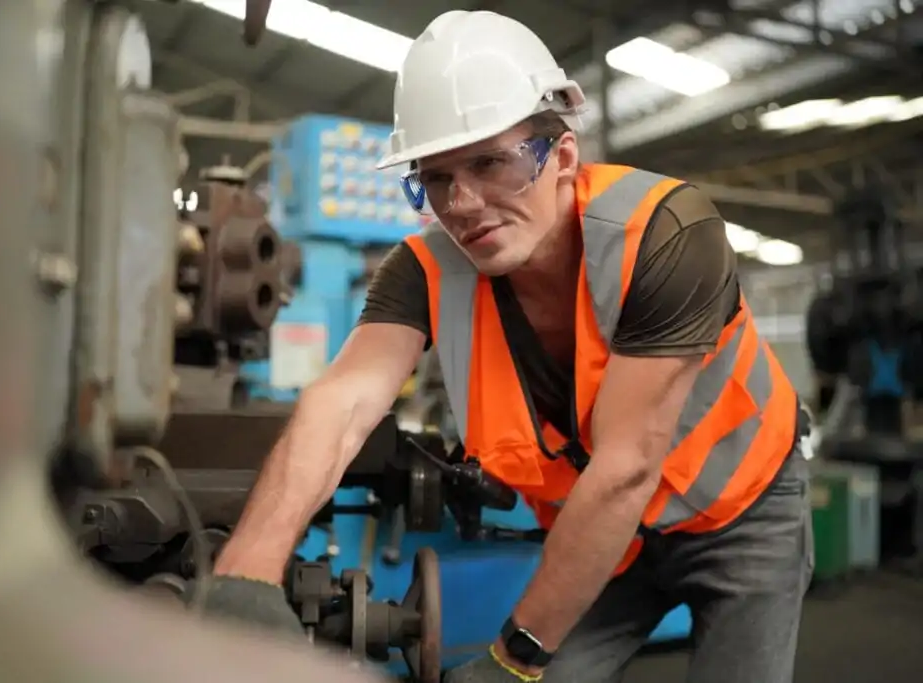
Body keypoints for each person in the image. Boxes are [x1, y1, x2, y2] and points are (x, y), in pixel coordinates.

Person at [207, 9, 815, 683]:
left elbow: (626, 466)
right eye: (435, 177)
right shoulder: (423, 271)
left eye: (490, 162)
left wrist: (514, 659)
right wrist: (246, 576)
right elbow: (343, 399)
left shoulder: (666, 234)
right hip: (607, 545)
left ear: (561, 156)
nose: (462, 203)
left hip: (742, 512)